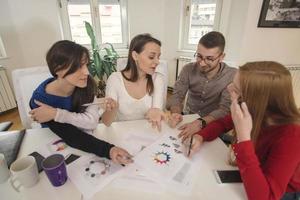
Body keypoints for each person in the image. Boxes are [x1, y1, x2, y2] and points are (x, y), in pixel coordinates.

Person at [189, 61, 300, 200]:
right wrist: (200, 136)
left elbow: (266, 197)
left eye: (236, 89)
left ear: (256, 100)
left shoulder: (292, 136)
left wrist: (243, 137)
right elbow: (223, 123)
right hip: (255, 172)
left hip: (282, 192)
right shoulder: (254, 110)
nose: (228, 88)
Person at [29, 40, 132, 165]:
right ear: (57, 69)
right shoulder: (40, 100)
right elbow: (71, 135)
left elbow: (92, 122)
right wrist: (108, 150)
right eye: (78, 66)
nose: (87, 72)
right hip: (56, 146)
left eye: (86, 65)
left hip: (87, 139)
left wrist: (56, 113)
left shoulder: (86, 84)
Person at [167, 31, 236, 139]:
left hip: (214, 124)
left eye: (209, 58)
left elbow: (224, 110)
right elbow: (177, 95)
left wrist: (200, 123)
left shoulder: (232, 75)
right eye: (199, 56)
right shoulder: (188, 69)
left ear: (221, 57)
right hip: (188, 118)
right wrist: (175, 112)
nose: (202, 63)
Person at [102, 34, 165, 130]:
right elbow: (106, 123)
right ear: (135, 55)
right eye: (151, 57)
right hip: (122, 134)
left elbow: (156, 113)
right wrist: (112, 108)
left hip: (148, 131)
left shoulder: (158, 79)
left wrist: (158, 113)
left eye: (158, 57)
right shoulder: (115, 79)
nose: (157, 62)